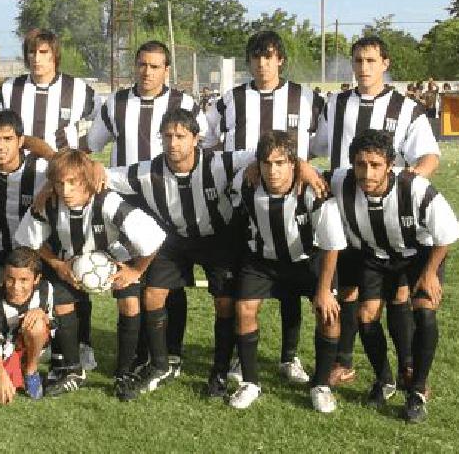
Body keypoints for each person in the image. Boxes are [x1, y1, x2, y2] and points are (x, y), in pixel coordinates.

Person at [102, 108, 331, 397]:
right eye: (167, 136)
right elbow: (100, 174)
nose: (173, 143)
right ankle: (160, 364)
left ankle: (219, 371)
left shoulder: (221, 162)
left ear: (196, 138)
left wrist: (303, 167)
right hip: (173, 241)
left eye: (181, 136)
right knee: (152, 294)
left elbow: (270, 152)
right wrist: (52, 183)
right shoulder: (146, 172)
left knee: (225, 303)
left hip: (218, 239)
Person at [310, 35, 443, 384]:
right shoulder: (335, 104)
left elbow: (429, 157)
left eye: (371, 61)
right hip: (344, 213)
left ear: (385, 64)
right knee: (348, 290)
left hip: (386, 214)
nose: (363, 68)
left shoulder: (406, 108)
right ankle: (344, 361)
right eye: (358, 61)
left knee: (398, 293)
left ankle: (407, 363)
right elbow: (315, 147)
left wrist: (407, 187)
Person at [205, 30, 328, 385]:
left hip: (292, 201)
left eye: (269, 56)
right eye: (256, 56)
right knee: (244, 284)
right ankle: (238, 361)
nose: (262, 63)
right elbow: (209, 143)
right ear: (249, 61)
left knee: (291, 278)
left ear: (281, 60)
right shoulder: (230, 100)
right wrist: (242, 167)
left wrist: (300, 164)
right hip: (244, 205)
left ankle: (289, 358)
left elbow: (318, 143)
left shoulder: (305, 98)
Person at [85, 40, 213, 378]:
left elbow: (208, 143)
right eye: (142, 64)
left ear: (167, 70)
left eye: (155, 66)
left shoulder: (184, 102)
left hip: (167, 199)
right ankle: (139, 351)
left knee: (168, 281)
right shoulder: (116, 103)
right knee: (129, 279)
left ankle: (171, 351)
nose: (147, 71)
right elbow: (92, 146)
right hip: (127, 200)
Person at [328, 129, 459, 423]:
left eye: (375, 165)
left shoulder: (414, 188)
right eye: (361, 164)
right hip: (376, 257)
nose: (367, 172)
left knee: (425, 312)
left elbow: (447, 233)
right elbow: (308, 175)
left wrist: (429, 276)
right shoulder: (341, 181)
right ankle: (385, 380)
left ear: (389, 165)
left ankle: (417, 392)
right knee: (365, 316)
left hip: (420, 255)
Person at [14, 149, 167, 401]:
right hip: (70, 264)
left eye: (73, 183)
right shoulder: (48, 202)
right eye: (60, 183)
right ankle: (73, 371)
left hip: (114, 259)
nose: (66, 190)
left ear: (87, 180)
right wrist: (57, 265)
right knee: (62, 303)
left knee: (130, 302)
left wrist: (135, 270)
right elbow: (28, 242)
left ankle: (124, 373)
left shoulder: (108, 201)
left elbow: (155, 237)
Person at [225, 130, 346, 412]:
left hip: (308, 260)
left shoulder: (314, 190)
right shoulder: (246, 183)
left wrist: (325, 291)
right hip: (263, 261)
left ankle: (321, 385)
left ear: (294, 164)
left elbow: (332, 245)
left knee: (329, 313)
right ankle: (250, 382)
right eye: (267, 163)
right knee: (244, 310)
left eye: (281, 163)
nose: (273, 170)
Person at [0, 110, 49, 297]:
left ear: (21, 141)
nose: (0, 146)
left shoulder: (41, 169)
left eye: (8, 139)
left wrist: (49, 186)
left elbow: (68, 171)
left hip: (35, 253)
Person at [0, 28, 96, 150]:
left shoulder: (78, 89)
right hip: (21, 168)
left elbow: (104, 119)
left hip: (60, 166)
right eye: (32, 52)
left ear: (54, 55)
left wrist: (83, 148)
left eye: (43, 52)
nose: (37, 58)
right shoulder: (10, 88)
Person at [0, 247, 56, 403]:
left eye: (24, 280)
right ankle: (13, 370)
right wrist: (0, 373)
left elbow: (54, 324)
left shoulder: (46, 289)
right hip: (5, 349)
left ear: (36, 279)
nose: (16, 286)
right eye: (10, 278)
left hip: (38, 347)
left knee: (36, 323)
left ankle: (31, 371)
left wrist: (43, 315)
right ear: (4, 275)